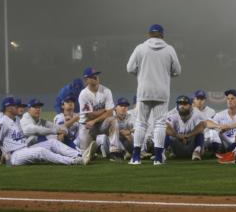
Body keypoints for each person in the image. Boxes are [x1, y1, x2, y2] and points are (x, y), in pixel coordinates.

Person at [126, 24, 181, 165]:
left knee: (140, 123)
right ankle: (157, 158)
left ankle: (136, 157)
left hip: (144, 90)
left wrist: (141, 73)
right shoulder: (169, 49)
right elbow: (177, 71)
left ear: (149, 34)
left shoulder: (140, 48)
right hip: (161, 91)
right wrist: (165, 74)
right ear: (162, 35)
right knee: (160, 124)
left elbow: (130, 68)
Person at [0, 97, 86, 167]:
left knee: (51, 143)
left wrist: (2, 162)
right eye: (16, 106)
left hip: (23, 149)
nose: (19, 108)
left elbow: (8, 142)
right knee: (40, 151)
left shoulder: (17, 120)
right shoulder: (1, 123)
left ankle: (80, 155)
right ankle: (72, 161)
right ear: (8, 108)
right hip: (14, 156)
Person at [78, 67, 121, 163]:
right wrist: (104, 110)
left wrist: (95, 120)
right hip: (87, 126)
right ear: (86, 80)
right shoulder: (83, 94)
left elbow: (110, 113)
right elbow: (90, 115)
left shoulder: (106, 91)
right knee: (85, 157)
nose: (96, 77)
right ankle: (92, 151)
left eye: (97, 75)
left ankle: (114, 151)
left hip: (101, 124)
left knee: (113, 121)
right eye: (92, 76)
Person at [207, 89, 236, 154]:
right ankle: (217, 151)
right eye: (228, 99)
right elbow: (207, 123)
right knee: (212, 131)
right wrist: (219, 126)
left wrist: (228, 127)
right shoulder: (220, 114)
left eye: (232, 98)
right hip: (224, 142)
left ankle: (230, 151)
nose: (229, 101)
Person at [165, 95, 206, 161]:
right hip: (178, 146)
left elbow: (203, 125)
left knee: (200, 132)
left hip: (191, 146)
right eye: (180, 104)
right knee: (166, 132)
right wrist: (178, 136)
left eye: (185, 104)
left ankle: (197, 152)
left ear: (190, 105)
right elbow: (166, 127)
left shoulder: (196, 113)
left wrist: (188, 135)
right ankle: (161, 152)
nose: (182, 106)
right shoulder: (173, 114)